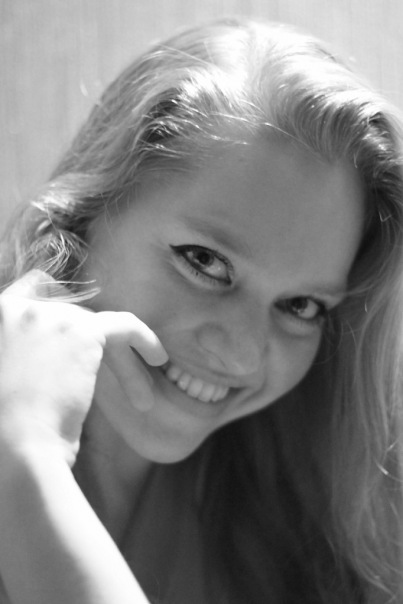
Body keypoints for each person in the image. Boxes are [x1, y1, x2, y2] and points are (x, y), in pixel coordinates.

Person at [0, 17, 402, 604]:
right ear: (84, 214)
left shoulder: (315, 536)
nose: (241, 354)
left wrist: (22, 456)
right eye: (205, 262)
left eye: (300, 305)